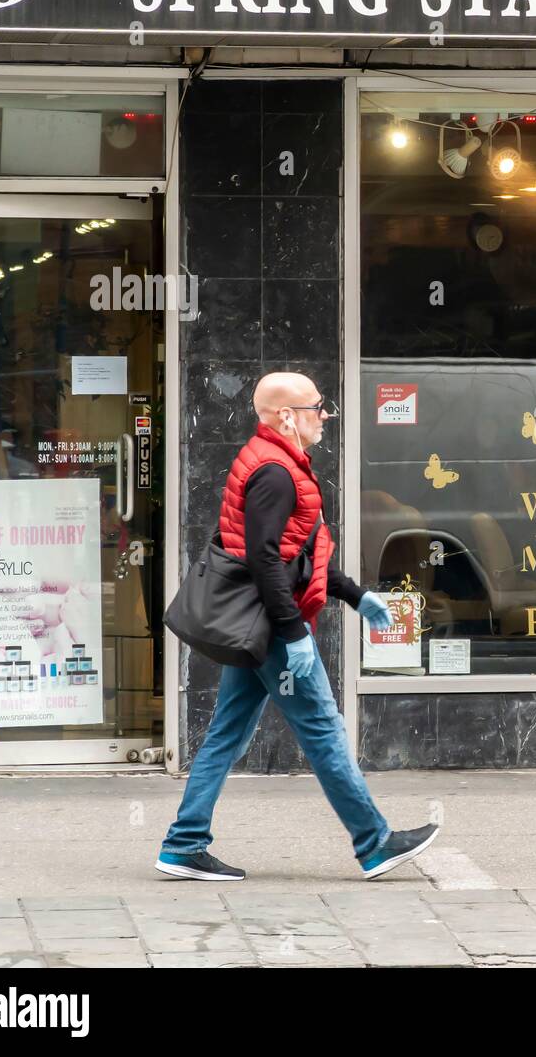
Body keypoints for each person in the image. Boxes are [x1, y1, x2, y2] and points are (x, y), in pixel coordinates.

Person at [157, 371, 440, 881]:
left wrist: (357, 597)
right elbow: (265, 561)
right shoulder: (275, 473)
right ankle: (374, 843)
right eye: (317, 406)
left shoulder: (275, 462)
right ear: (287, 416)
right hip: (272, 627)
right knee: (324, 732)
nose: (325, 414)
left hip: (260, 624)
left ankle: (183, 844)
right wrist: (293, 634)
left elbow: (294, 554)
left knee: (226, 732)